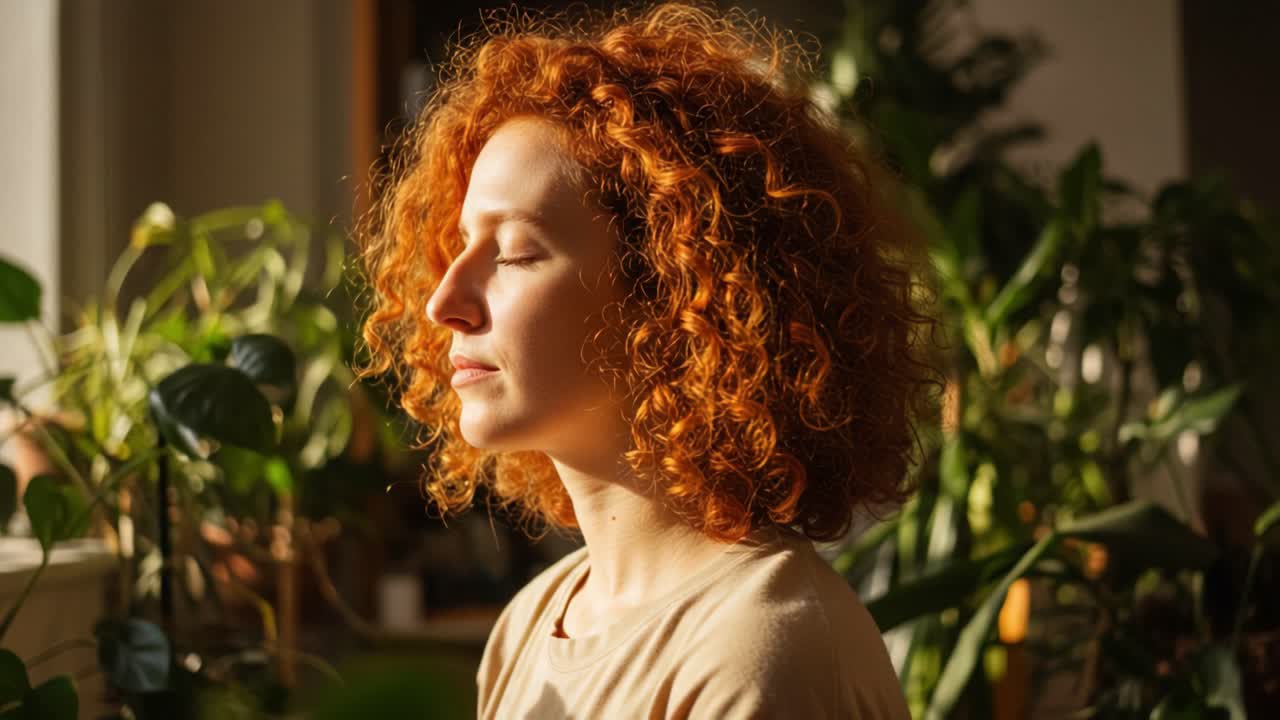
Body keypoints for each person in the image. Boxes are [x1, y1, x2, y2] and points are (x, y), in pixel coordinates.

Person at [356, 2, 942, 717]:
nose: (444, 301)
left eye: (512, 251)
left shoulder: (757, 650)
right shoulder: (531, 624)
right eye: (457, 247)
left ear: (674, 292)